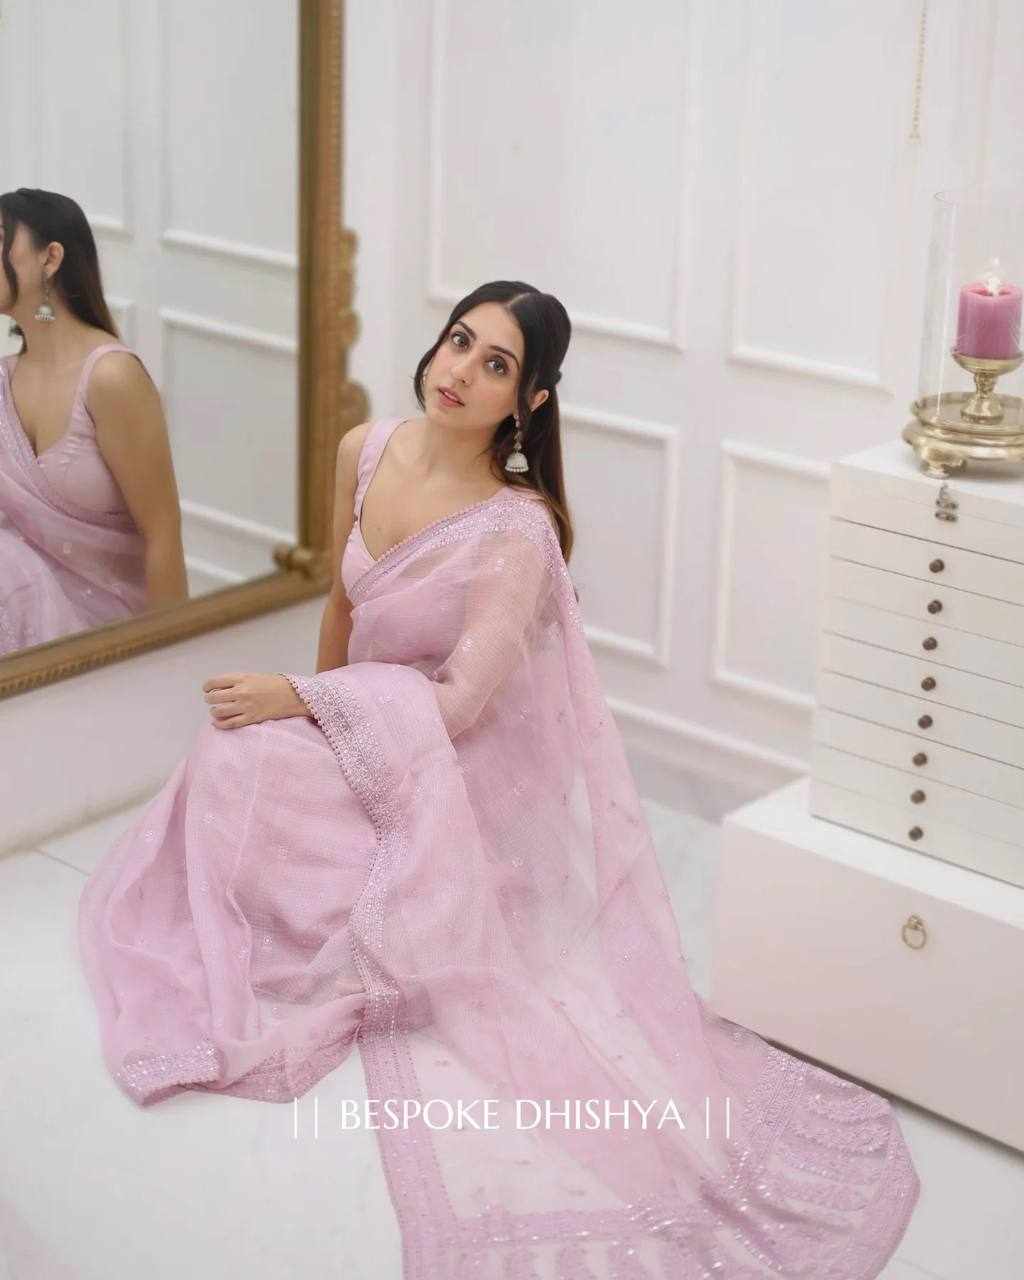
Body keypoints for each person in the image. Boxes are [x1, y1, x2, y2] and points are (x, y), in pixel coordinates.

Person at [78, 281, 921, 1277]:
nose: (460, 372)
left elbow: (458, 705)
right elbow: (342, 614)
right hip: (366, 723)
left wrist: (304, 700)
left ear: (528, 402)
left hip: (451, 773)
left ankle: (351, 926)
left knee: (256, 753)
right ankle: (284, 926)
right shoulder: (365, 449)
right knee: (237, 752)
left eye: (495, 365)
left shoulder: (516, 529)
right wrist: (311, 714)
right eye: (458, 341)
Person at [0, 188, 186, 656]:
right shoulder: (3, 379)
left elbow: (163, 534)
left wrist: (172, 662)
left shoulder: (111, 378)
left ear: (50, 258)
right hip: (24, 641)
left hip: (109, 639)